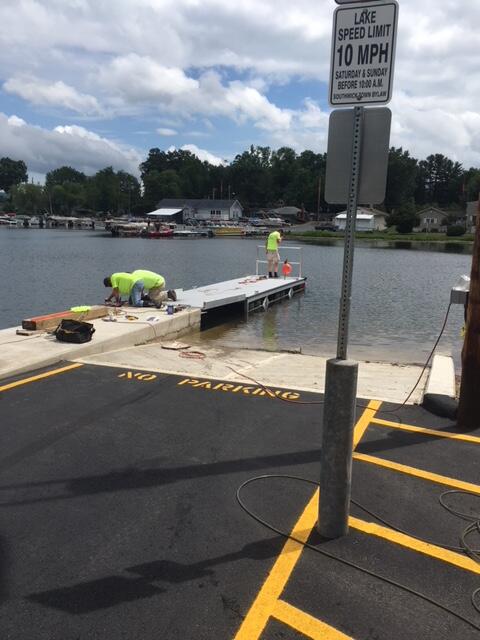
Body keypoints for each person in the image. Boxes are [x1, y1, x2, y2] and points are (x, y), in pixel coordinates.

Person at [103, 270, 177, 308]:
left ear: (109, 282)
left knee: (137, 303)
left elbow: (116, 291)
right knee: (131, 302)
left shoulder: (113, 277)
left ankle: (155, 303)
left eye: (110, 286)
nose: (111, 286)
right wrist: (109, 298)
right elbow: (115, 291)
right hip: (142, 285)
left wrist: (117, 302)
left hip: (157, 284)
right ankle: (147, 300)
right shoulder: (132, 276)